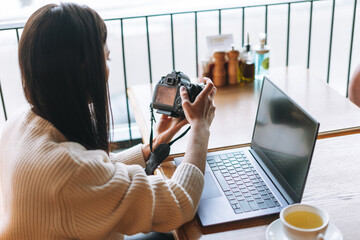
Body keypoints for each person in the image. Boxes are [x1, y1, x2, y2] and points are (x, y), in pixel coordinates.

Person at [0, 3, 216, 240]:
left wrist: (151, 147)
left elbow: (92, 171)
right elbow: (179, 204)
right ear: (84, 68)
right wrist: (200, 129)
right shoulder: (69, 175)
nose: (107, 69)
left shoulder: (21, 120)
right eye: (107, 59)